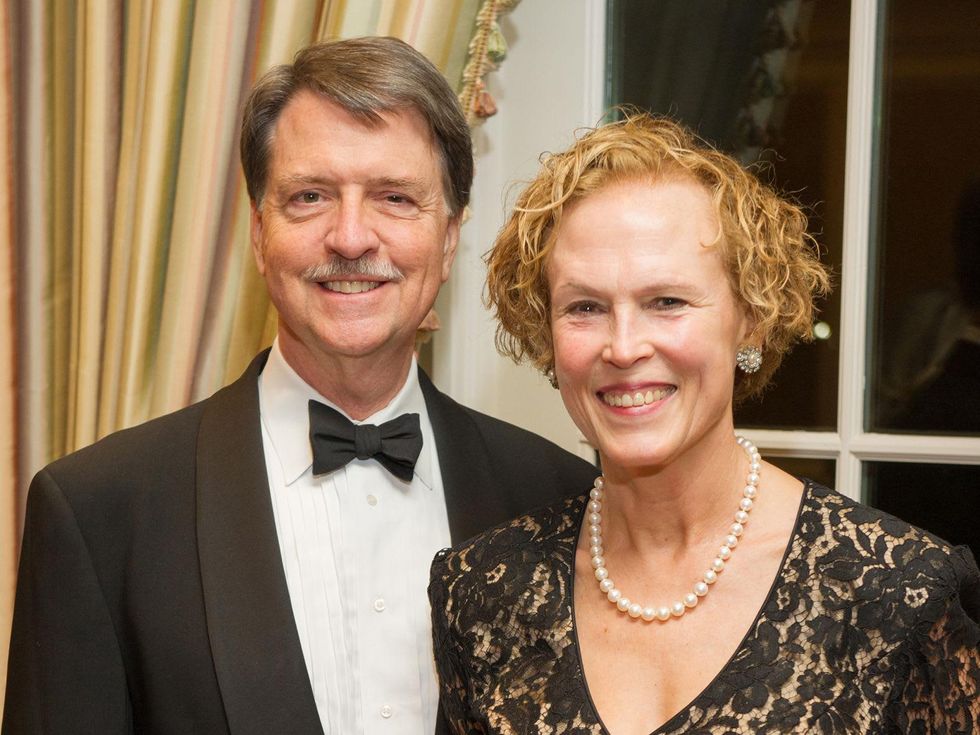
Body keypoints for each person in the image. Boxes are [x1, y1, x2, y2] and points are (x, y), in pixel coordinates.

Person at [3, 37, 597, 735]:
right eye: (310, 197)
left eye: (395, 197)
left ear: (447, 238)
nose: (350, 237)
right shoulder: (99, 512)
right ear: (259, 233)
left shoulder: (560, 502)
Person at [429, 113, 980, 733]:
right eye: (584, 307)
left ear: (752, 318)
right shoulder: (480, 591)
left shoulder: (894, 592)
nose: (624, 346)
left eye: (667, 302)